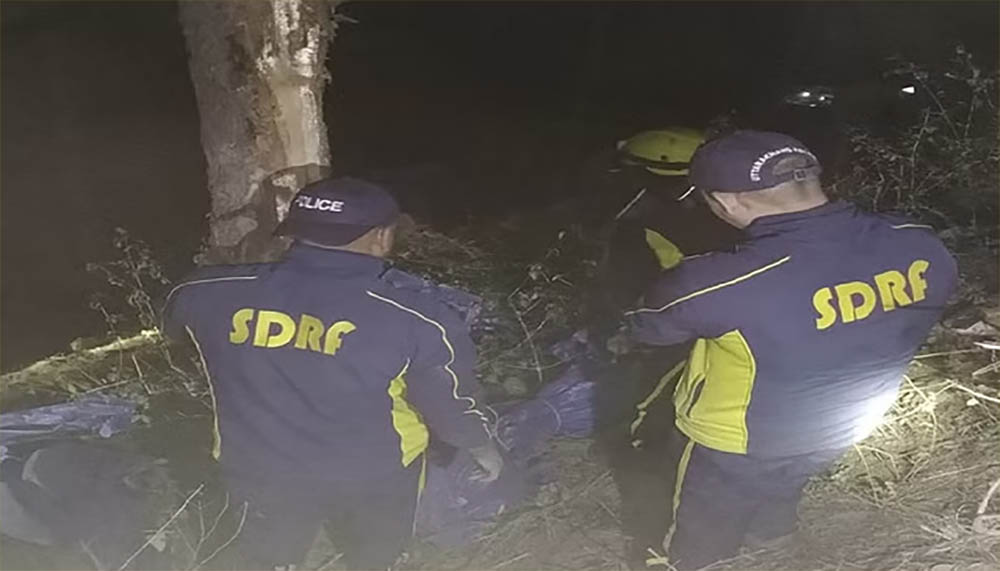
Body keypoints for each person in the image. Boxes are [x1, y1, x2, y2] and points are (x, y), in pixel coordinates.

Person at [625, 131, 957, 569]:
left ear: (725, 202)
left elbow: (648, 328)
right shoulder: (917, 240)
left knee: (695, 534)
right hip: (839, 428)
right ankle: (772, 548)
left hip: (734, 443)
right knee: (782, 490)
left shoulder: (715, 281)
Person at [162, 177, 503, 571]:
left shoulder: (204, 291)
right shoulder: (418, 317)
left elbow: (174, 330)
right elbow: (450, 403)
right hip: (374, 474)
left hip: (257, 465)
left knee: (268, 559)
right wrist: (483, 449)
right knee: (373, 559)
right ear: (381, 237)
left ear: (295, 230)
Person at [589, 128, 742, 568]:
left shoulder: (639, 225)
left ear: (648, 172)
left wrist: (620, 334)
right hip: (732, 333)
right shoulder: (731, 210)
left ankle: (653, 533)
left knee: (646, 425)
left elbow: (628, 291)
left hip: (670, 338)